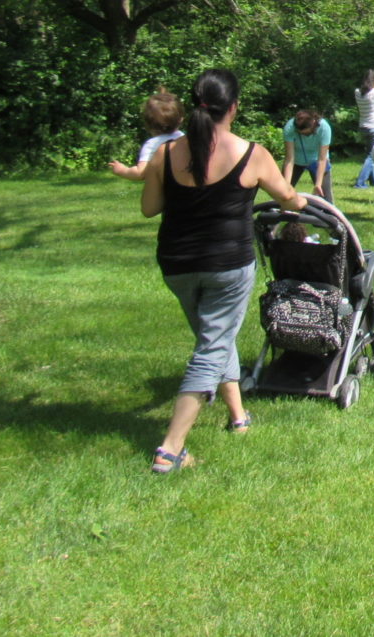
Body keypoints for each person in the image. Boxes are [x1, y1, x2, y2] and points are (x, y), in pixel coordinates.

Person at [138, 69, 306, 473]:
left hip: (177, 264)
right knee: (212, 343)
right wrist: (299, 201)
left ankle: (238, 416)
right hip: (227, 267)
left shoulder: (166, 153)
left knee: (214, 334)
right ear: (233, 107)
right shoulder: (251, 153)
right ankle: (170, 448)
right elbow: (288, 198)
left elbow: (149, 208)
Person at [108, 87, 184, 182]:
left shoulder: (152, 145)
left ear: (147, 123)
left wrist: (122, 170)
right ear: (181, 119)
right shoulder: (185, 139)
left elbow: (141, 173)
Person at [281, 108, 332, 202]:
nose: (304, 135)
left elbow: (322, 159)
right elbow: (289, 159)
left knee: (326, 198)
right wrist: (286, 185)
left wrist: (318, 184)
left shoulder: (324, 128)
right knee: (281, 193)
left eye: (307, 132)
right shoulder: (290, 127)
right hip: (296, 158)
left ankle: (329, 216)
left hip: (317, 159)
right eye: (301, 133)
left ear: (314, 124)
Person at [353, 69, 374, 188]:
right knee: (373, 155)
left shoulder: (357, 92)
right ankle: (360, 182)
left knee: (370, 153)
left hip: (363, 126)